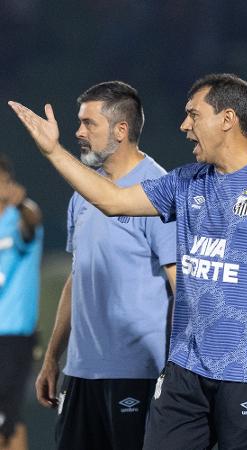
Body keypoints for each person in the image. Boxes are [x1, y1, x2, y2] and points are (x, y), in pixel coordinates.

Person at [8, 73, 247, 450]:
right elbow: (113, 201)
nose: (184, 125)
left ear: (227, 119)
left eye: (193, 114)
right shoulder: (186, 182)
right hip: (184, 373)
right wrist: (52, 151)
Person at [32, 81, 177, 450]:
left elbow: (183, 289)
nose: (78, 132)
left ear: (121, 130)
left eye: (88, 124)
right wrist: (53, 358)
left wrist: (177, 372)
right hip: (80, 372)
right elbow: (76, 278)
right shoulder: (84, 192)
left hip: (136, 373)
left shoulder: (157, 191)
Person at [0, 155, 43, 450]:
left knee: (7, 418)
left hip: (13, 335)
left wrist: (21, 204)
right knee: (9, 418)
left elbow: (32, 222)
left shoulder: (21, 216)